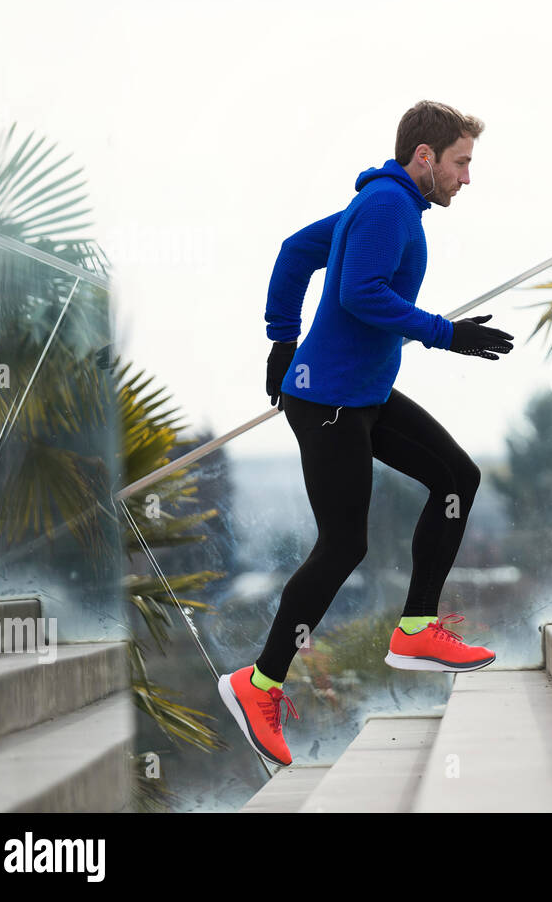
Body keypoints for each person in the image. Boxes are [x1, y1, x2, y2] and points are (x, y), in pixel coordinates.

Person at [217, 100, 515, 767]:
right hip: (330, 403)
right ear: (424, 159)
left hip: (361, 395)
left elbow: (297, 253)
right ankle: (257, 684)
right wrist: (448, 334)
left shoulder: (382, 203)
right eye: (462, 163)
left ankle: (415, 628)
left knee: (457, 477)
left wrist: (281, 339)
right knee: (344, 544)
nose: (467, 177)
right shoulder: (386, 208)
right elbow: (358, 293)